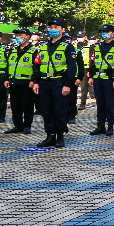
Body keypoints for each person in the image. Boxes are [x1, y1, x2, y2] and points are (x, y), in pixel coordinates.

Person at [33, 20, 77, 148]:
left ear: (62, 30)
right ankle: (49, 136)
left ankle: (60, 136)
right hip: (45, 82)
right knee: (46, 110)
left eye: (56, 27)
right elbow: (36, 65)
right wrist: (35, 81)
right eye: (51, 27)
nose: (53, 29)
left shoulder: (67, 46)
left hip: (59, 82)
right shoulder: (42, 46)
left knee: (60, 109)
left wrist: (68, 84)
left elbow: (71, 67)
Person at [87, 24, 114, 137]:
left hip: (110, 80)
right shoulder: (97, 46)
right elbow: (93, 63)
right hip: (98, 79)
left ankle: (110, 125)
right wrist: (91, 76)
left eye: (106, 32)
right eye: (102, 32)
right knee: (100, 103)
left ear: (112, 33)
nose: (104, 34)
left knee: (110, 103)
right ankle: (100, 125)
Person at [3, 28, 37, 134]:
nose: (18, 37)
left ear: (28, 37)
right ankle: (18, 126)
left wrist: (34, 80)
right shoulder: (12, 50)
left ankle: (27, 126)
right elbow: (8, 65)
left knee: (27, 105)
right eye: (17, 35)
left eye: (21, 35)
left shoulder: (33, 50)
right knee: (15, 106)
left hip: (27, 83)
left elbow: (36, 67)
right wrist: (6, 78)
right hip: (13, 82)